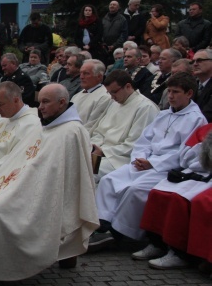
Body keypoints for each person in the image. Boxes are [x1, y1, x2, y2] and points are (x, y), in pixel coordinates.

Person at [0, 84, 98, 286]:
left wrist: (23, 183)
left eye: (46, 102)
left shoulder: (72, 131)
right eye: (40, 101)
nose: (40, 107)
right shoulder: (47, 126)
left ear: (62, 103)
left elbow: (58, 173)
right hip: (21, 182)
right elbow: (22, 159)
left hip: (42, 190)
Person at [91, 73, 207, 250]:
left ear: (189, 93)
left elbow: (184, 153)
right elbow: (144, 140)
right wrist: (142, 158)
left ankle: (120, 234)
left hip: (165, 168)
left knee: (135, 190)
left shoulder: (196, 119)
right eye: (169, 91)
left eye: (176, 92)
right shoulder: (164, 114)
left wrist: (153, 164)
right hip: (145, 162)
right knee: (109, 180)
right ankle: (102, 224)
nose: (170, 96)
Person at [135, 125, 212, 269]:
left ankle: (179, 252)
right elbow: (185, 156)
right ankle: (157, 243)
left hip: (207, 176)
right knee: (157, 192)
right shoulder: (205, 129)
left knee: (180, 200)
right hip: (192, 170)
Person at [90, 70, 160, 181]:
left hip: (120, 159)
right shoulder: (115, 103)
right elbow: (100, 132)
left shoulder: (145, 108)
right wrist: (92, 147)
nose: (112, 97)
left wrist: (103, 151)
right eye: (109, 93)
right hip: (101, 152)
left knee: (86, 172)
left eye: (114, 92)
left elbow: (135, 145)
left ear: (128, 86)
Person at [0, 81, 41, 180]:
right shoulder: (2, 120)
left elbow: (15, 159)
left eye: (0, 104)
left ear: (16, 100)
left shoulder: (32, 125)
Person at [70, 59, 110, 133]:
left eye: (86, 73)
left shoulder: (104, 97)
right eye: (81, 73)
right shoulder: (76, 96)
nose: (81, 77)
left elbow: (92, 125)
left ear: (99, 77)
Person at [193, 49, 212, 122]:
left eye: (199, 60)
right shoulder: (192, 84)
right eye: (193, 61)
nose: (195, 64)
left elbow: (208, 114)